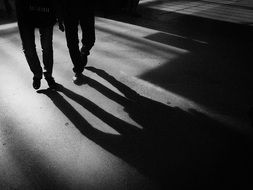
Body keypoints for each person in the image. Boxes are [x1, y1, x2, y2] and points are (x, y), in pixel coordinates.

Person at [15, 0, 61, 90]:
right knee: (31, 48)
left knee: (44, 46)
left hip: (43, 9)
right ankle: (41, 74)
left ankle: (43, 74)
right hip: (28, 10)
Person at [61, 0, 96, 84]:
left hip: (86, 5)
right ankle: (78, 70)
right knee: (72, 40)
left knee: (90, 38)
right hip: (68, 6)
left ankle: (84, 52)